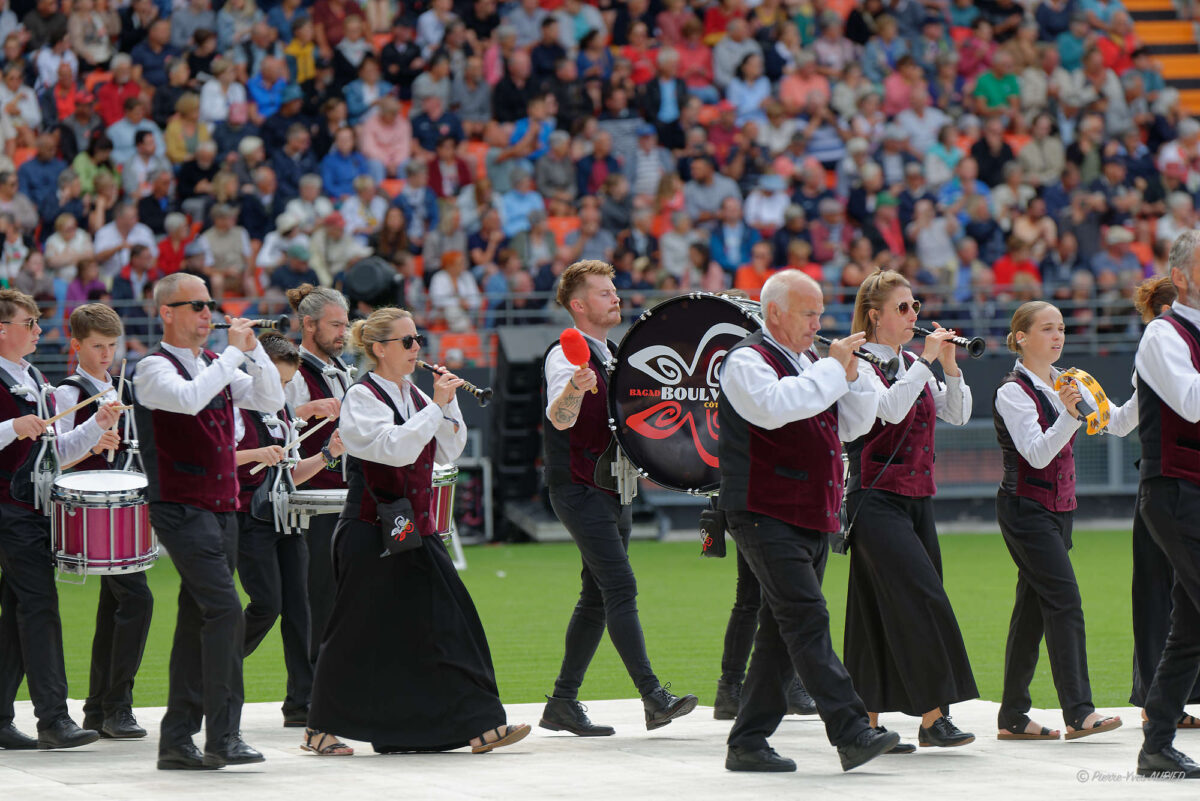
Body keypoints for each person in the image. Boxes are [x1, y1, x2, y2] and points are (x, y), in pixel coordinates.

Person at [307, 306, 531, 755]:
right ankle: (319, 729)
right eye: (407, 342)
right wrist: (438, 408)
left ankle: (476, 724)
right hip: (369, 531)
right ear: (378, 349)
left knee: (451, 623)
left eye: (417, 340)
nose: (417, 350)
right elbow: (392, 449)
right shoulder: (361, 397)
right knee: (354, 630)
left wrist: (446, 407)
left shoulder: (415, 395)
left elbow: (448, 449)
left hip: (413, 529)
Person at [716, 270, 899, 773]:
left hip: (808, 513)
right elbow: (776, 409)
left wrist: (855, 378)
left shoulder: (809, 362)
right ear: (773, 312)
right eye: (809, 313)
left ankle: (748, 740)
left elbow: (850, 427)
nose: (819, 323)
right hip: (762, 509)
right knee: (807, 618)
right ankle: (850, 729)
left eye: (820, 313)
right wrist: (833, 371)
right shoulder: (746, 360)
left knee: (782, 630)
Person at [132, 273, 285, 770]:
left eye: (210, 304)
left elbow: (270, 398)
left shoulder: (216, 363)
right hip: (181, 505)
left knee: (197, 619)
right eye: (195, 305)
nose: (206, 312)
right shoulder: (152, 368)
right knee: (226, 612)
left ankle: (177, 740)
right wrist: (236, 354)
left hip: (222, 507)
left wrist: (253, 349)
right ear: (166, 313)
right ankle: (223, 734)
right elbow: (189, 398)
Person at [540, 259, 698, 737]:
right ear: (579, 305)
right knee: (620, 588)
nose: (616, 297)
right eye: (604, 292)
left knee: (596, 597)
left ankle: (562, 703)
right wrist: (574, 386)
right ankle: (653, 697)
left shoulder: (611, 354)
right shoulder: (565, 355)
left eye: (614, 290)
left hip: (611, 488)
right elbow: (560, 418)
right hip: (581, 486)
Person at [844, 270, 978, 751]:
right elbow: (889, 410)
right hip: (874, 499)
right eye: (904, 308)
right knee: (924, 599)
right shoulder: (855, 363)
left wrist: (950, 366)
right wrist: (924, 362)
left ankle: (865, 721)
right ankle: (932, 716)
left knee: (872, 610)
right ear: (875, 315)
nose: (914, 316)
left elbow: (957, 414)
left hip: (917, 498)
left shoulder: (912, 364)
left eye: (915, 307)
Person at [993, 300, 1131, 743]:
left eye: (1062, 328)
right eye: (1048, 329)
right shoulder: (1012, 391)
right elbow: (1035, 453)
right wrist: (1070, 416)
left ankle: (1012, 715)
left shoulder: (1069, 381)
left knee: (1031, 611)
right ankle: (1079, 712)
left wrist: (1148, 385)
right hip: (1025, 509)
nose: (1058, 336)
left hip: (1058, 511)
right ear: (1021, 338)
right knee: (1065, 602)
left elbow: (1117, 424)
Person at [0, 289, 121, 752]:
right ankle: (53, 717)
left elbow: (59, 453)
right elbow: (17, 438)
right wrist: (13, 427)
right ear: (4, 330)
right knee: (40, 608)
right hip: (9, 507)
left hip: (33, 506)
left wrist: (95, 425)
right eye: (29, 323)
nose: (37, 330)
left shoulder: (34, 377)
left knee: (16, 613)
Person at [233, 331, 350, 754]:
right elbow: (220, 463)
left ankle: (300, 702)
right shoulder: (235, 406)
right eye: (278, 380)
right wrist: (256, 454)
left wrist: (329, 454)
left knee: (298, 606)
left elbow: (292, 472)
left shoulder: (279, 411)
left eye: (285, 382)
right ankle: (216, 667)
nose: (281, 390)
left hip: (284, 516)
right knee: (267, 603)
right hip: (248, 517)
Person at [54, 304, 151, 740]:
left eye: (112, 346)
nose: (106, 354)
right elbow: (55, 458)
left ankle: (100, 708)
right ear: (76, 345)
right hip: (86, 511)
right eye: (97, 346)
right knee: (137, 600)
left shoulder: (122, 387)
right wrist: (95, 441)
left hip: (122, 507)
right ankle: (116, 705)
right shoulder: (69, 392)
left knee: (115, 605)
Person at [1133, 230, 1200, 778]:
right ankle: (1156, 743)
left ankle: (1157, 742)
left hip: (1192, 490)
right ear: (1180, 277)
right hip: (1175, 490)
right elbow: (1192, 403)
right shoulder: (1163, 333)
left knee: (1192, 623)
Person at [282, 284, 352, 673]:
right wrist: (304, 408)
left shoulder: (340, 368)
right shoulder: (293, 371)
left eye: (345, 324)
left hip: (342, 495)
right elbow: (270, 422)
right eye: (335, 325)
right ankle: (304, 696)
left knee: (340, 599)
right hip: (311, 499)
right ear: (309, 325)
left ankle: (330, 687)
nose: (343, 332)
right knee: (315, 601)